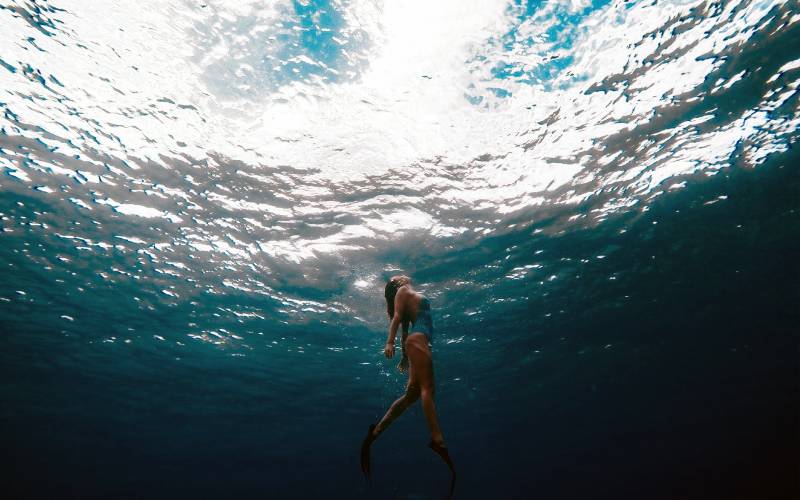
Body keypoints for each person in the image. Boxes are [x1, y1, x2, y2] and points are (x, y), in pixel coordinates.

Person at [360, 275, 455, 498]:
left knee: (411, 396)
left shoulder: (404, 296)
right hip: (419, 340)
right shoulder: (403, 291)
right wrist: (389, 342)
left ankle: (375, 432)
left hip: (416, 342)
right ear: (397, 285)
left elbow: (404, 331)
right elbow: (397, 320)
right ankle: (437, 439)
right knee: (427, 390)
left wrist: (404, 357)